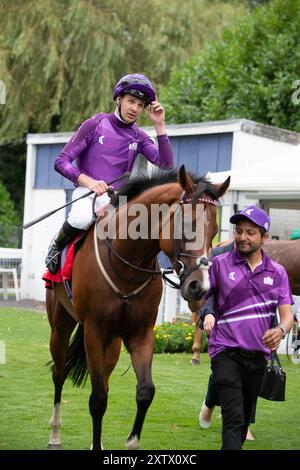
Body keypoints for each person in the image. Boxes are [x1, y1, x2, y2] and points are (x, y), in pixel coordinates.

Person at [45, 73, 174, 273]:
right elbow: (61, 161)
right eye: (131, 101)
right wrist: (89, 182)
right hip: (87, 193)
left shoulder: (140, 137)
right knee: (80, 219)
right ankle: (57, 245)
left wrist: (159, 125)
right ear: (118, 99)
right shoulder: (95, 125)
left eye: (140, 105)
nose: (135, 109)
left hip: (118, 200)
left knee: (138, 233)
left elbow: (166, 164)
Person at [202, 205, 294, 450]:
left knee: (242, 422)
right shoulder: (219, 264)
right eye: (238, 231)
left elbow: (287, 316)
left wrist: (281, 331)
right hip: (225, 352)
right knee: (233, 418)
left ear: (264, 237)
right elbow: (199, 299)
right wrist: (202, 305)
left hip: (258, 357)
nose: (242, 237)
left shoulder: (278, 273)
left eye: (250, 232)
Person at [198, 239, 257, 440]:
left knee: (251, 373)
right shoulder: (218, 255)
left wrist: (275, 327)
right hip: (222, 323)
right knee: (223, 372)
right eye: (241, 230)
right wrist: (208, 313)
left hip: (251, 326)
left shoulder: (260, 259)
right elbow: (209, 291)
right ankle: (210, 403)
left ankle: (245, 423)